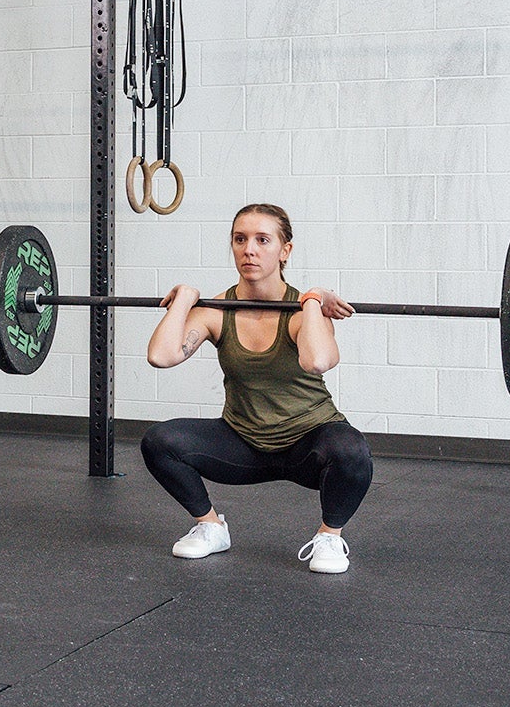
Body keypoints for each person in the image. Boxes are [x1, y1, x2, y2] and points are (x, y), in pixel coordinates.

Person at [141, 203, 374, 573]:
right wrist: (184, 299)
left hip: (308, 444)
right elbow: (161, 356)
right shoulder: (218, 310)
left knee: (352, 450)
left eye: (262, 240)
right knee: (160, 442)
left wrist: (312, 299)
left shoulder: (301, 312)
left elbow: (318, 360)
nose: (249, 249)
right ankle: (211, 527)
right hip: (242, 442)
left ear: (285, 250)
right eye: (240, 239)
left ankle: (330, 537)